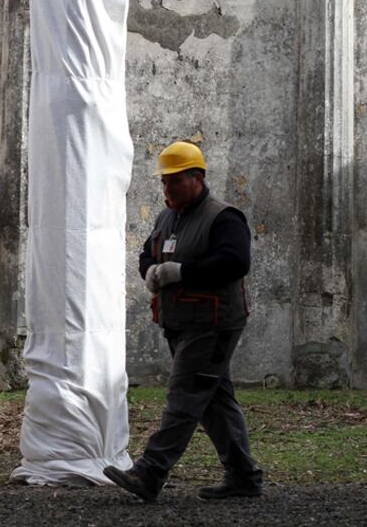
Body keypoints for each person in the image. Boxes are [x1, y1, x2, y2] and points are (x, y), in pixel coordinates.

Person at [104, 141, 263, 502]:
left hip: (213, 324)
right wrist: (151, 271)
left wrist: (181, 272)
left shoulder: (224, 218)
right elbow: (147, 253)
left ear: (197, 178)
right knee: (215, 400)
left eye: (175, 181)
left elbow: (235, 262)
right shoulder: (168, 217)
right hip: (180, 323)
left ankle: (150, 472)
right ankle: (244, 477)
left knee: (185, 395)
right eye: (164, 181)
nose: (168, 188)